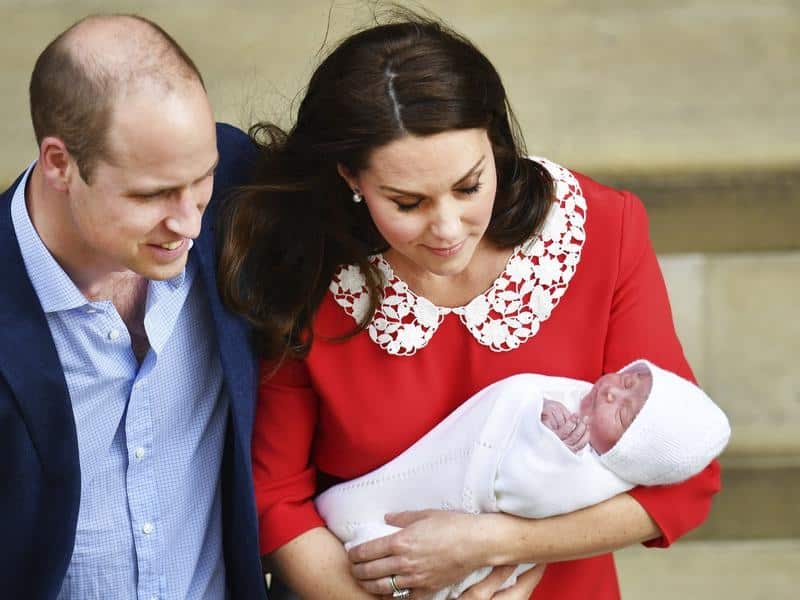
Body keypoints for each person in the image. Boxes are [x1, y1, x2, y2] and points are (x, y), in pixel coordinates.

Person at [219, 15, 722, 600]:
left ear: (493, 142)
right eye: (407, 202)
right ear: (349, 176)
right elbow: (277, 498)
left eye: (468, 186)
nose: (448, 228)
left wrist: (494, 543)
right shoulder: (307, 265)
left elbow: (683, 478)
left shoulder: (602, 230)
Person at [0, 15, 266, 599]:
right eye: (151, 196)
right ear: (59, 163)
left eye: (202, 180)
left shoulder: (239, 193)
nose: (190, 222)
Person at [314, 360, 731, 599]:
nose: (611, 394)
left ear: (628, 455)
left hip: (497, 576)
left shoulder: (590, 474)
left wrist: (547, 444)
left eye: (623, 413)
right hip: (325, 558)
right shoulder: (580, 402)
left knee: (375, 539)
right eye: (626, 381)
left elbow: (530, 491)